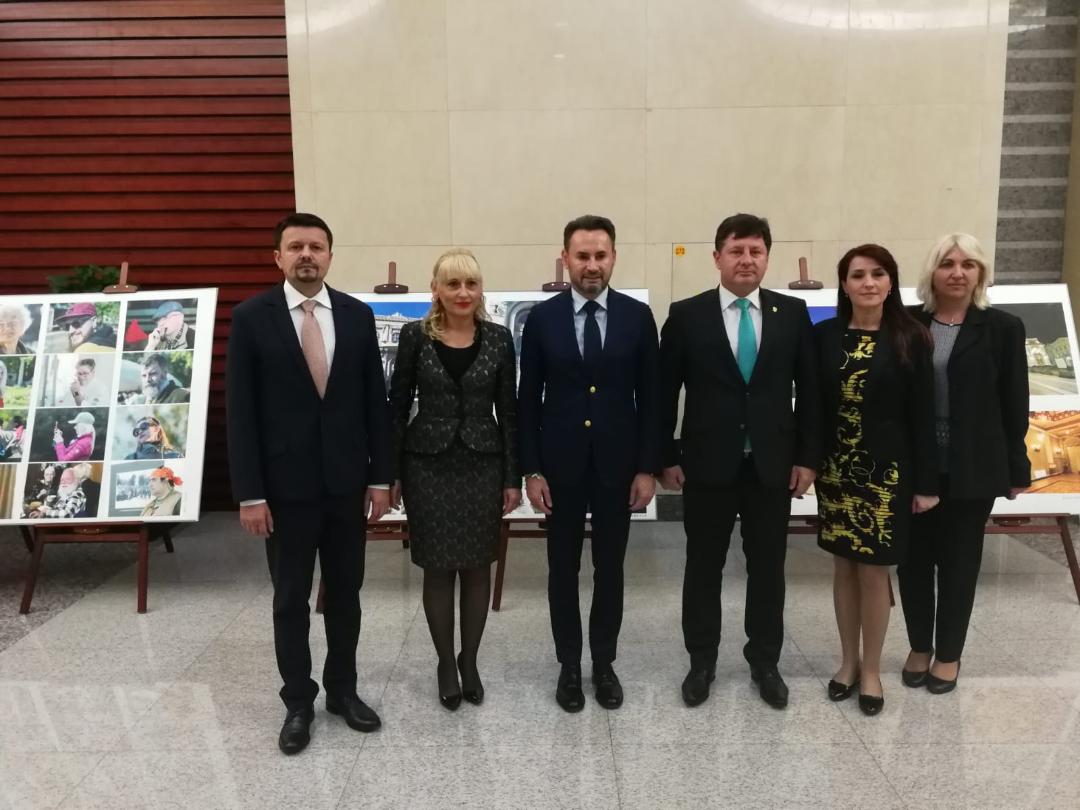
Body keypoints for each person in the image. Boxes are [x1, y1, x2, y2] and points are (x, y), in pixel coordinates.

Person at [226, 212, 392, 755]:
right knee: (290, 600)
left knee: (346, 595)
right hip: (283, 492)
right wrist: (250, 494)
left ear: (329, 256)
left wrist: (381, 479)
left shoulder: (357, 315)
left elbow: (375, 404)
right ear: (277, 256)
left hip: (346, 487)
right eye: (295, 246)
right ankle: (298, 701)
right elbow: (240, 413)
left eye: (316, 247)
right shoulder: (252, 318)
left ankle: (343, 691)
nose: (306, 255)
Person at [659, 213, 820, 710]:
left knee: (768, 568)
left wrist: (808, 458)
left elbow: (811, 393)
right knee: (702, 566)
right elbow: (663, 392)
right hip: (707, 464)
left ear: (767, 257)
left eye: (756, 251)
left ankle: (765, 661)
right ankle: (701, 660)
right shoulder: (686, 315)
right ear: (717, 258)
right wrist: (664, 455)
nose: (746, 260)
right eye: (736, 251)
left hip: (773, 466)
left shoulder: (792, 314)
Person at [518, 214, 660, 713]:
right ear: (566, 259)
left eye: (601, 255)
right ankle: (568, 664)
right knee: (562, 569)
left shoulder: (637, 317)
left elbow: (653, 398)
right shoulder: (542, 319)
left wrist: (647, 467)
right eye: (582, 256)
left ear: (614, 257)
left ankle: (603, 663)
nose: (592, 265)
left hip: (619, 468)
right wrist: (531, 470)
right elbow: (527, 401)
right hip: (559, 468)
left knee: (610, 568)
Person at [388, 248, 520, 710]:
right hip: (427, 465)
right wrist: (390, 473)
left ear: (481, 290)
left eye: (471, 284)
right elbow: (397, 406)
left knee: (479, 566)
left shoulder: (500, 339)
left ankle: (470, 660)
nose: (463, 293)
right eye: (453, 284)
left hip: (483, 464)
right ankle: (446, 661)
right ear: (436, 290)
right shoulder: (415, 336)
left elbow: (510, 411)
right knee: (438, 567)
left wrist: (512, 477)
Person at [898, 234, 1030, 694]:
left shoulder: (1003, 328)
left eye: (968, 264)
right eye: (947, 263)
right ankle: (919, 646)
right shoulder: (908, 324)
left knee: (959, 564)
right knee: (913, 563)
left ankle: (949, 654)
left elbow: (1015, 401)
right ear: (932, 273)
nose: (957, 272)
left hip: (972, 468)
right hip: (916, 466)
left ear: (980, 273)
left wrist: (1017, 466)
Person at [814, 244, 939, 716]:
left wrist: (926, 483)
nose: (868, 282)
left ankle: (872, 671)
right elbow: (813, 406)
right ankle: (848, 662)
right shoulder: (824, 336)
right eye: (858, 275)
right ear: (844, 285)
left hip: (886, 474)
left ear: (891, 283)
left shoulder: (911, 336)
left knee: (873, 571)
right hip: (836, 470)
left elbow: (923, 416)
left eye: (878, 274)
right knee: (843, 567)